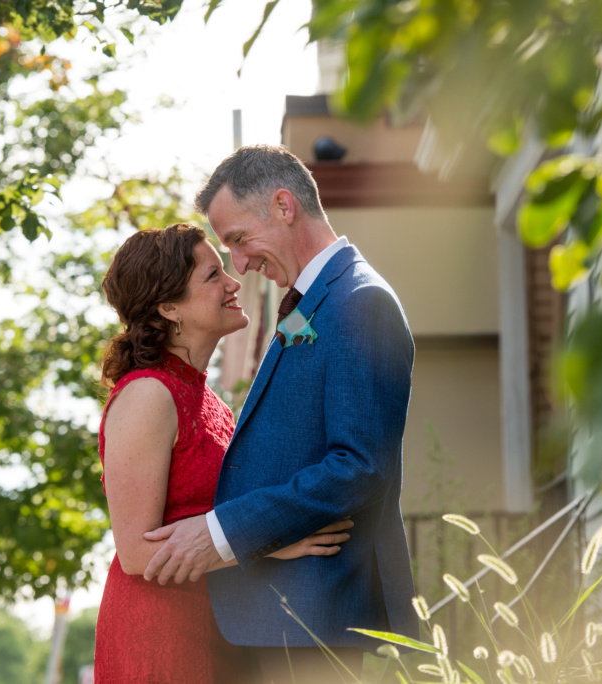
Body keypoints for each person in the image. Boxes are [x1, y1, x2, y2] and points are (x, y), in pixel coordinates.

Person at [141, 146, 419, 683]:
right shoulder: (314, 303)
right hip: (276, 617)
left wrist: (225, 534)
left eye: (240, 241)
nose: (240, 266)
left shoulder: (360, 302)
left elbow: (359, 464)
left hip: (317, 615)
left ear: (284, 206)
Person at [93, 224, 354, 684]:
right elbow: (136, 551)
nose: (234, 281)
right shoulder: (148, 395)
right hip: (162, 637)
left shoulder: (206, 398)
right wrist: (269, 543)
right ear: (169, 307)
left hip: (222, 627)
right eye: (213, 276)